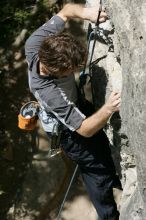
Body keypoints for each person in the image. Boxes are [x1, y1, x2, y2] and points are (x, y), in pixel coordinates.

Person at [25, 3, 121, 220]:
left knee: (102, 152)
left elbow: (67, 10)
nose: (76, 71)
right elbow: (84, 130)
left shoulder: (37, 44)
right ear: (56, 72)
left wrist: (88, 14)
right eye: (72, 70)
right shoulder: (49, 91)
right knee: (97, 171)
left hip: (77, 107)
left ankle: (115, 175)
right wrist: (108, 108)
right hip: (71, 135)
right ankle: (109, 215)